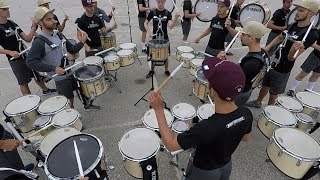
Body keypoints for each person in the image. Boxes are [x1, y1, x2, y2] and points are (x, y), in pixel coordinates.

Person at [149, 57, 253, 180]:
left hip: (204, 173)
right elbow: (246, 138)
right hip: (226, 166)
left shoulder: (207, 128)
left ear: (213, 91)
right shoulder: (246, 113)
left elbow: (171, 145)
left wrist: (159, 110)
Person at [246, 0, 319, 107]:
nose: (297, 12)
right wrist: (268, 47)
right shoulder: (293, 24)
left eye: (301, 10)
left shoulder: (312, 34)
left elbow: (291, 58)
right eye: (297, 9)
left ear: (311, 14)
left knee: (273, 92)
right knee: (265, 84)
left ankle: (271, 110)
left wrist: (294, 49)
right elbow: (281, 36)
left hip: (284, 68)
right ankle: (258, 102)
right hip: (274, 60)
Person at [27, 7, 100, 111]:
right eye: (49, 19)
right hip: (61, 78)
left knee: (81, 90)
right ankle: (70, 118)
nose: (54, 21)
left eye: (53, 18)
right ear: (40, 22)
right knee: (68, 100)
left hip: (70, 70)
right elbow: (30, 62)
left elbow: (72, 49)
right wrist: (54, 68)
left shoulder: (58, 34)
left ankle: (87, 105)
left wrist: (83, 41)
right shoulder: (39, 42)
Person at [0, 0, 55, 95]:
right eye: (4, 9)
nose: (8, 10)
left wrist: (33, 27)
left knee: (36, 74)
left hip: (26, 55)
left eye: (8, 8)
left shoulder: (12, 23)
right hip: (15, 59)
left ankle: (45, 90)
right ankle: (29, 103)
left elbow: (27, 38)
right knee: (23, 82)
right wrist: (9, 52)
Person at [232, 21, 268, 106]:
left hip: (240, 93)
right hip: (248, 89)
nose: (241, 36)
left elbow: (235, 81)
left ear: (252, 38)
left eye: (243, 35)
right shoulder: (262, 51)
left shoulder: (251, 63)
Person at [144, 0, 180, 78]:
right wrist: (149, 32)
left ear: (165, 2)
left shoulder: (168, 13)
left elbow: (170, 26)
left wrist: (175, 19)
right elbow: (145, 23)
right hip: (155, 38)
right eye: (159, 2)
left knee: (165, 55)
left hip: (165, 38)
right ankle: (151, 70)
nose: (160, 4)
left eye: (162, 2)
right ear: (156, 2)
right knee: (152, 54)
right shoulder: (152, 12)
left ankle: (166, 70)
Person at [287, 31, 320, 96]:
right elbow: (310, 42)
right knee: (303, 74)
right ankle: (292, 89)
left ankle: (308, 90)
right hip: (315, 57)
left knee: (316, 76)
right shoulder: (318, 31)